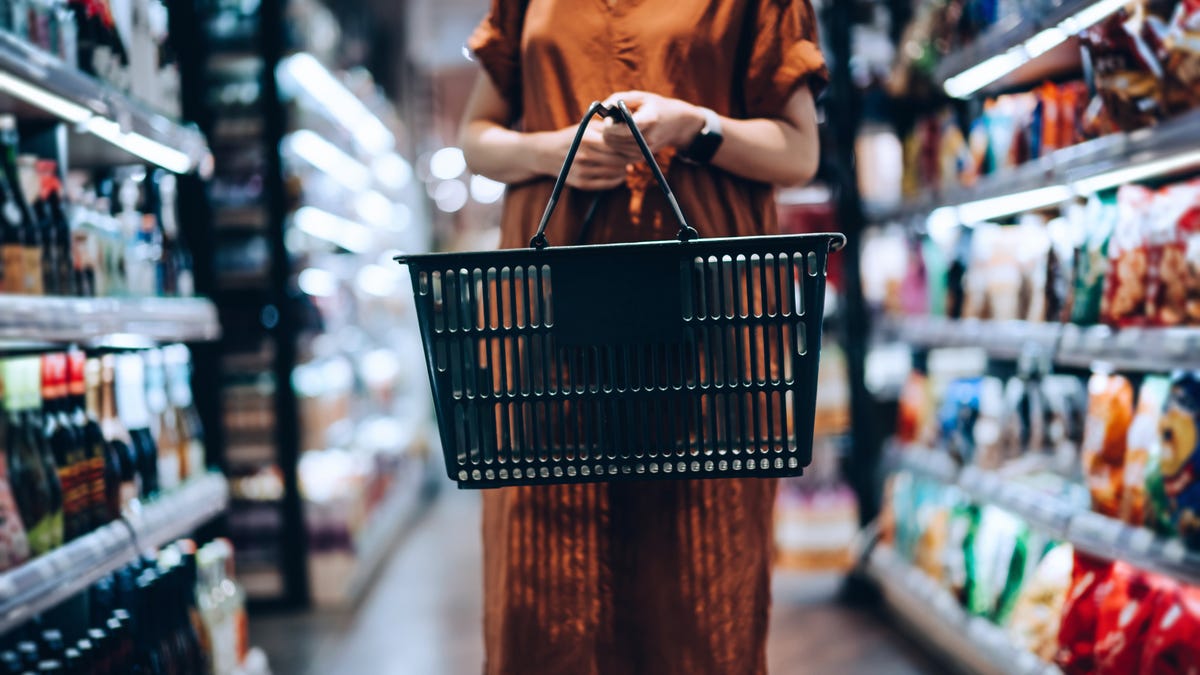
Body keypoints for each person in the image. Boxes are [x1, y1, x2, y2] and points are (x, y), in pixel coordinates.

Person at [459, 1, 828, 673]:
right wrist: (554, 150)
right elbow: (476, 137)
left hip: (709, 332)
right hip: (545, 331)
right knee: (541, 595)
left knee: (697, 594)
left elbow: (800, 150)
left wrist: (696, 125)